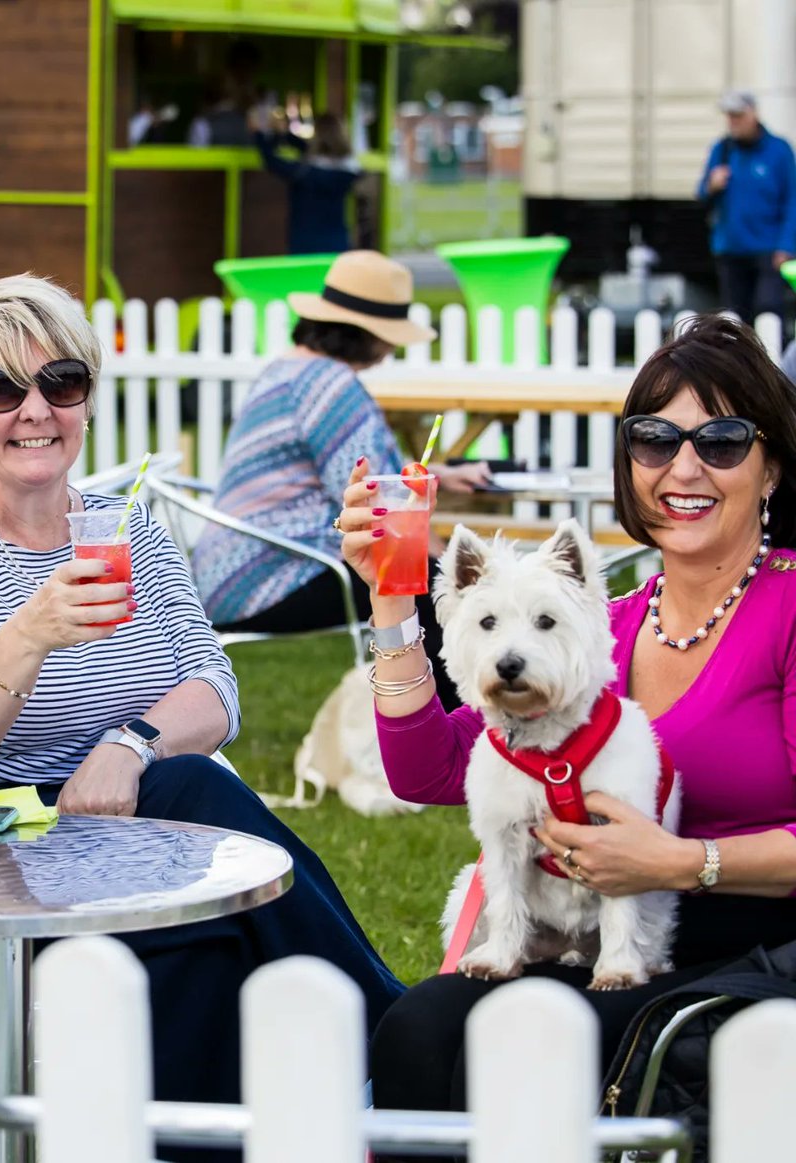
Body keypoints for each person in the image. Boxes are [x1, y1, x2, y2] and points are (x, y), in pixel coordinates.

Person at [0, 274, 402, 1143]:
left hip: (112, 856)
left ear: (86, 400)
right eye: (1, 388)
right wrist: (30, 629)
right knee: (194, 800)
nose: (35, 410)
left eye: (59, 383)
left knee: (197, 940)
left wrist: (130, 742)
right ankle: (400, 1045)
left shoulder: (126, 529)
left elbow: (215, 689)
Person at [335, 314, 796, 1141]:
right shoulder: (593, 624)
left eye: (721, 441)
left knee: (532, 1050)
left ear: (772, 468)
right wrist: (392, 601)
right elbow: (432, 770)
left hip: (758, 945)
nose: (683, 467)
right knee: (421, 1027)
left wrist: (685, 862)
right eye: (654, 439)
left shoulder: (790, 610)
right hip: (580, 935)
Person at [191, 250, 490, 711]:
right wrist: (452, 563)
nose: (392, 350)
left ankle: (446, 727)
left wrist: (442, 475)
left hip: (229, 572)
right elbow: (382, 502)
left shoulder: (288, 370)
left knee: (434, 584)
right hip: (275, 574)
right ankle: (459, 731)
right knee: (443, 592)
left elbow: (364, 474)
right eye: (390, 338)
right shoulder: (331, 384)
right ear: (366, 334)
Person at [697, 90, 796, 326]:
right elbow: (701, 194)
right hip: (731, 248)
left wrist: (786, 245)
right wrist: (711, 185)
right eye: (730, 116)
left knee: (768, 309)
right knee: (735, 315)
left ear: (753, 114)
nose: (734, 122)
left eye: (738, 115)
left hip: (767, 248)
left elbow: (792, 200)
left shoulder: (778, 151)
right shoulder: (722, 150)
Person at [252, 111, 360, 255]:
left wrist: (259, 134)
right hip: (337, 242)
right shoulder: (348, 171)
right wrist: (285, 134)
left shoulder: (303, 172)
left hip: (304, 244)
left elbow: (270, 160)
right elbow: (308, 148)